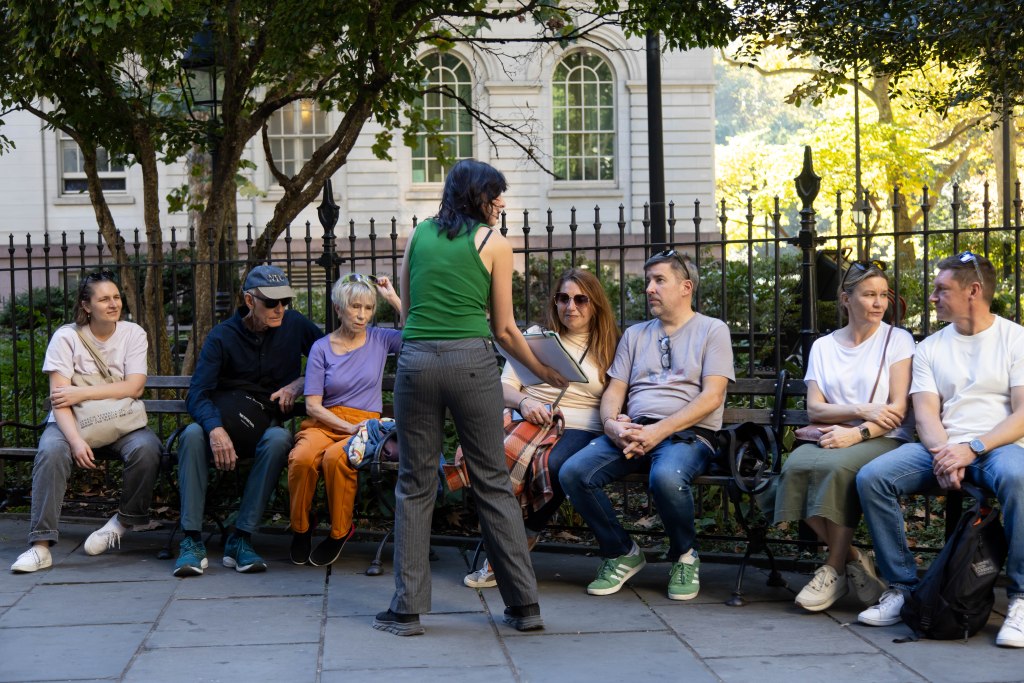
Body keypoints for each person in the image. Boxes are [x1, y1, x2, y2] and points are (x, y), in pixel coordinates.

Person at [373, 159, 567, 637]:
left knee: (415, 484)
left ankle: (407, 610)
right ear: (474, 197)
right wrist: (543, 369)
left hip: (416, 363)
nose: (500, 202)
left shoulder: (418, 236)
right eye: (493, 194)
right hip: (469, 363)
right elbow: (502, 327)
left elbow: (407, 316)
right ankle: (524, 607)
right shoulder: (496, 244)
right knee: (493, 482)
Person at [856, 252, 1024, 648]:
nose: (932, 297)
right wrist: (945, 453)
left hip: (999, 446)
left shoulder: (1015, 339)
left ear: (974, 291)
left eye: (941, 289)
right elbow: (927, 413)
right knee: (873, 477)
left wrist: (973, 448)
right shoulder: (930, 347)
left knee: (1020, 477)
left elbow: (1021, 415)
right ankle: (902, 587)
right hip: (942, 447)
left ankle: (1020, 597)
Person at [559, 249, 734, 600]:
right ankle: (621, 551)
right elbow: (615, 390)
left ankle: (685, 555)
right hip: (634, 431)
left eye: (659, 281)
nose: (649, 289)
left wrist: (659, 430)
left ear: (686, 287)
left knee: (666, 478)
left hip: (686, 435)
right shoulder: (636, 334)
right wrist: (612, 425)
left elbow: (712, 397)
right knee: (573, 472)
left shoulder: (713, 330)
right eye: (648, 281)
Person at [463, 268, 620, 589]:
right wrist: (524, 404)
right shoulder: (535, 336)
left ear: (596, 304)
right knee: (485, 460)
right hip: (528, 419)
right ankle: (504, 543)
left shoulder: (610, 346)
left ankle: (519, 543)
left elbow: (618, 397)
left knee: (554, 464)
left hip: (581, 426)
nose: (570, 307)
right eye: (563, 298)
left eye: (580, 299)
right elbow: (504, 386)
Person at [773, 260, 914, 612]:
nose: (879, 303)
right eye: (869, 295)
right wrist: (863, 409)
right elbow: (816, 410)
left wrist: (859, 432)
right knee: (791, 473)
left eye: (883, 295)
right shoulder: (823, 346)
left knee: (837, 471)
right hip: (831, 432)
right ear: (845, 299)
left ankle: (833, 570)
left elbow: (897, 410)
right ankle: (853, 558)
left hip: (884, 436)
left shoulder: (898, 340)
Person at [172, 265, 322, 578]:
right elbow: (197, 393)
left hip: (263, 426)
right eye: (271, 302)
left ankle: (241, 538)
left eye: (285, 301)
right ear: (250, 301)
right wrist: (215, 429)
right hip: (220, 420)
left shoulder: (294, 325)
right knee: (191, 435)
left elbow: (334, 361)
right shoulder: (222, 336)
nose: (280, 308)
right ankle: (191, 540)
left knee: (280, 440)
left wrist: (301, 383)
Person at [10, 271, 161, 573]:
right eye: (104, 299)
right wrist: (76, 441)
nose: (113, 303)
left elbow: (134, 387)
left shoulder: (133, 334)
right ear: (86, 305)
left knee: (148, 448)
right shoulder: (66, 338)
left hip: (119, 421)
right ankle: (40, 546)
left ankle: (120, 523)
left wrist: (82, 391)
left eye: (116, 297)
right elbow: (60, 400)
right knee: (51, 451)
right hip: (71, 422)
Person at [287, 273, 402, 567]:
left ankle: (340, 531)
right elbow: (312, 406)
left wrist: (392, 298)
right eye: (355, 307)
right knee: (301, 458)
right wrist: (346, 427)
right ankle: (301, 528)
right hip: (325, 422)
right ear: (338, 308)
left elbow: (421, 332)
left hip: (365, 426)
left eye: (368, 308)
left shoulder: (380, 339)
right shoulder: (321, 348)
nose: (362, 315)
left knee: (336, 459)